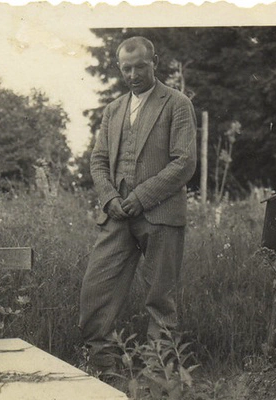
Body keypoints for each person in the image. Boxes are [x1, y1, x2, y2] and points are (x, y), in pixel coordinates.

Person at [79, 36, 197, 372]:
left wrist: (141, 196)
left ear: (155, 62)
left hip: (160, 215)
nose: (133, 74)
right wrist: (110, 198)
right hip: (116, 216)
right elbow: (98, 160)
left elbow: (185, 161)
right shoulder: (113, 110)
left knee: (160, 297)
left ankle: (159, 375)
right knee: (96, 288)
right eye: (126, 68)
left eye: (140, 67)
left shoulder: (177, 104)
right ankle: (101, 367)